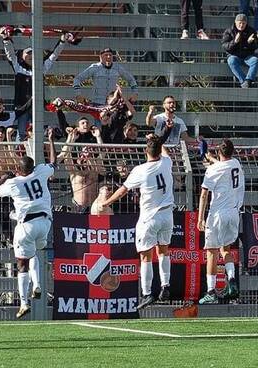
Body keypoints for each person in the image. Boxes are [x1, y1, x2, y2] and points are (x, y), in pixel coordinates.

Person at [99, 135, 174, 309]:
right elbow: (165, 152)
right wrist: (158, 141)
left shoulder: (140, 170)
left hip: (149, 217)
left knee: (145, 255)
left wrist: (106, 202)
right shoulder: (166, 163)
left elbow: (123, 190)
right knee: (163, 251)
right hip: (167, 215)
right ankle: (166, 286)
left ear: (145, 151)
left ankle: (147, 293)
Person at [0, 129, 57, 318]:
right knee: (33, 254)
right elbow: (54, 163)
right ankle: (37, 284)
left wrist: (3, 178)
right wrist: (51, 141)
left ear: (19, 170)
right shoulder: (41, 171)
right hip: (45, 223)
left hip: (26, 225)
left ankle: (23, 302)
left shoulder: (13, 183)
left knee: (21, 263)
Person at [0, 27, 71, 140]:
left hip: (37, 107)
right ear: (22, 56)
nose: (31, 56)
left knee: (38, 134)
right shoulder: (18, 67)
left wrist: (62, 41)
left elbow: (53, 56)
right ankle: (19, 156)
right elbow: (10, 54)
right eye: (28, 53)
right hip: (21, 107)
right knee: (21, 133)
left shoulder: (41, 68)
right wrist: (6, 39)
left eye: (33, 54)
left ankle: (39, 155)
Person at [197, 139, 245, 304]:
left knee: (211, 252)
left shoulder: (212, 170)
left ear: (219, 152)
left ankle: (211, 292)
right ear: (232, 152)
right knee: (226, 250)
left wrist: (200, 218)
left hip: (217, 214)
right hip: (233, 212)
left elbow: (204, 194)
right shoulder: (236, 164)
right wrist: (210, 158)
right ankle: (231, 280)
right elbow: (222, 166)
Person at [73, 48, 138, 116]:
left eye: (110, 55)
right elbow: (77, 79)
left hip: (113, 103)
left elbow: (131, 79)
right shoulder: (94, 68)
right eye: (106, 55)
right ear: (100, 57)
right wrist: (78, 94)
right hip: (97, 103)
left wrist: (135, 93)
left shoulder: (118, 68)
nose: (108, 57)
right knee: (99, 124)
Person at [58, 129, 106, 214]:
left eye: (89, 151)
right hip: (77, 208)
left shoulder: (94, 169)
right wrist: (71, 139)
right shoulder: (74, 171)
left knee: (98, 226)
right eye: (84, 153)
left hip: (93, 208)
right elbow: (65, 154)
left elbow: (103, 152)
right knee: (76, 227)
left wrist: (98, 137)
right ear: (80, 156)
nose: (86, 157)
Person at [222, 14, 258, 88]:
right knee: (231, 60)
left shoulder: (251, 31)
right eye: (239, 23)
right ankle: (243, 82)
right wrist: (235, 41)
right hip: (235, 56)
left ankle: (248, 80)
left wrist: (249, 43)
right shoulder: (229, 31)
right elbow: (225, 46)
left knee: (255, 60)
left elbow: (256, 46)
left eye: (243, 23)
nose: (241, 25)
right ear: (235, 22)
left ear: (246, 23)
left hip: (247, 56)